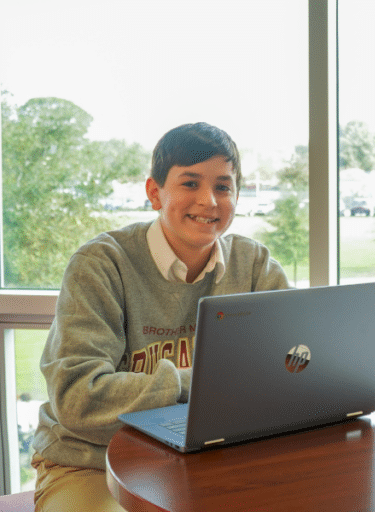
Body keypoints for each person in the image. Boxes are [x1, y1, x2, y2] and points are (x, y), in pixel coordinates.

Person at [30, 122, 289, 511]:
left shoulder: (255, 265)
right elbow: (77, 397)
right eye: (190, 183)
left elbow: (286, 371)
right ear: (155, 192)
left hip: (207, 459)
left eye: (223, 186)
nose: (209, 201)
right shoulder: (100, 264)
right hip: (88, 462)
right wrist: (199, 383)